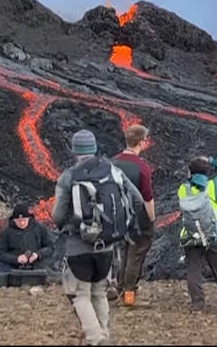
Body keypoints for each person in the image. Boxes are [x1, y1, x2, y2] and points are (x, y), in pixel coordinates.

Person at [52, 129, 145, 346]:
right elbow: (138, 199)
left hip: (79, 246)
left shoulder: (69, 176)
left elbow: (58, 215)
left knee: (80, 295)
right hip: (107, 245)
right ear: (94, 148)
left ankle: (95, 338)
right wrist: (122, 224)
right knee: (100, 292)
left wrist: (67, 226)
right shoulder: (113, 172)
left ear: (74, 150)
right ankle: (103, 335)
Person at [178, 155, 217, 315]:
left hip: (191, 236)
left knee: (193, 270)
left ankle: (197, 306)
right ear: (207, 173)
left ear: (190, 173)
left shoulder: (182, 189)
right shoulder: (213, 186)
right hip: (213, 236)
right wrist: (212, 160)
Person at [112, 124, 155, 307]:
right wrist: (151, 219)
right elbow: (148, 198)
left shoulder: (112, 163)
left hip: (117, 218)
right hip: (137, 218)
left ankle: (119, 288)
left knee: (124, 251)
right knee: (136, 255)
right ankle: (129, 296)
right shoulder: (142, 167)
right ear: (141, 142)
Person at [0, 204, 55, 271]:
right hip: (14, 266)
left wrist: (38, 255)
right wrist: (16, 259)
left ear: (29, 218)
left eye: (24, 220)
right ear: (14, 220)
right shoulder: (6, 232)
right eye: (19, 221)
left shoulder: (40, 228)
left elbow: (50, 247)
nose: (22, 223)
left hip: (37, 264)